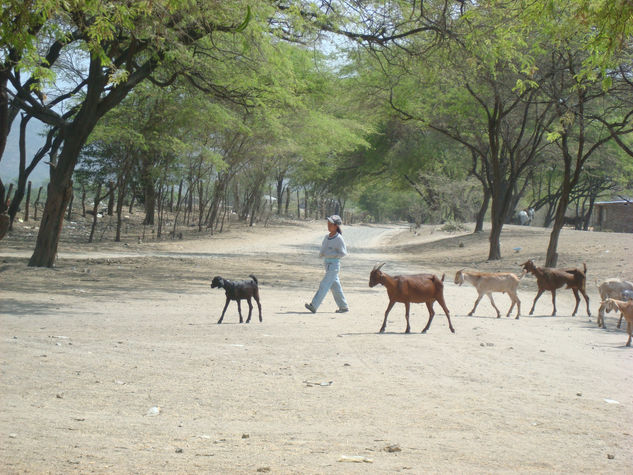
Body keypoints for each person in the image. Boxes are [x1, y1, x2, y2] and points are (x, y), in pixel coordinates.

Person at [305, 215, 349, 313]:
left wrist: (331, 254)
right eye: (328, 224)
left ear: (336, 226)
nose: (328, 226)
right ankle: (343, 307)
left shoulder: (339, 238)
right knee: (335, 286)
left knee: (324, 284)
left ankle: (314, 305)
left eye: (331, 224)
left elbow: (343, 253)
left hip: (334, 266)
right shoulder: (326, 237)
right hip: (327, 264)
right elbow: (322, 250)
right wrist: (322, 254)